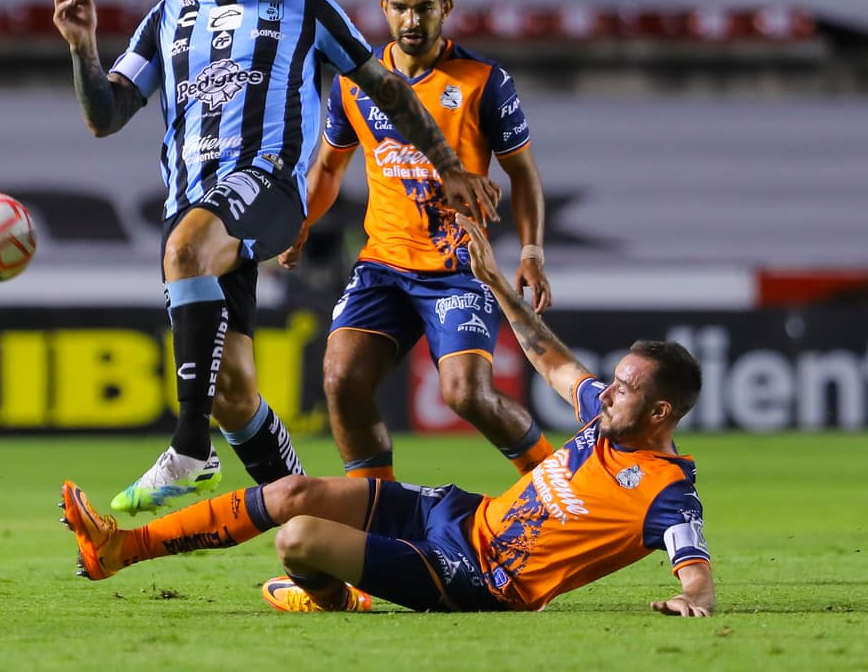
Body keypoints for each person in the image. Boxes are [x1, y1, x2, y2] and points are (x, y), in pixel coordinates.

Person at [52, 0, 499, 515]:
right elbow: (106, 116)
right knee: (233, 396)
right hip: (195, 206)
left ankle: (189, 448)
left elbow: (388, 90)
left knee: (184, 252)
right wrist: (82, 49)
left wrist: (448, 163)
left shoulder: (304, 9)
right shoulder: (167, 18)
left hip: (270, 185)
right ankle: (318, 531)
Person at [60, 215, 714, 616]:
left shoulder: (667, 490)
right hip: (463, 515)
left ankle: (335, 598)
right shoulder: (605, 414)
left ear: (660, 411)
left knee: (297, 539)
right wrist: (493, 281)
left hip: (481, 577)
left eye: (624, 388)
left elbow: (695, 567)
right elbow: (554, 362)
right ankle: (121, 548)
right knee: (292, 493)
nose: (607, 393)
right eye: (614, 381)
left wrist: (692, 599)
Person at [279, 0, 554, 480]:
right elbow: (329, 168)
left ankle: (558, 487)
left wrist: (532, 252)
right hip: (383, 265)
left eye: (424, 8)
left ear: (445, 8)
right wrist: (302, 223)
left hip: (457, 267)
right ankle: (378, 508)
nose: (411, 20)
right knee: (341, 379)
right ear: (384, 8)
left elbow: (522, 173)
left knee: (465, 394)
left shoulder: (482, 81)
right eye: (401, 7)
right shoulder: (354, 82)